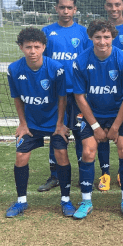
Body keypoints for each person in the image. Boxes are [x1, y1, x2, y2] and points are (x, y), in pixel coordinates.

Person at [6, 28, 74, 217]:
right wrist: (22, 123)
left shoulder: (56, 68)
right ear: (21, 47)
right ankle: (21, 202)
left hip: (54, 122)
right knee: (21, 157)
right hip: (31, 123)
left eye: (37, 47)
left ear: (44, 47)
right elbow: (18, 98)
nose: (33, 51)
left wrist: (60, 124)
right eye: (28, 47)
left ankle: (66, 200)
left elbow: (62, 98)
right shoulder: (14, 69)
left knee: (61, 154)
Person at [71, 20, 123, 219]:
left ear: (113, 38)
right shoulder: (80, 61)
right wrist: (96, 126)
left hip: (119, 114)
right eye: (97, 37)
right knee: (88, 152)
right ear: (91, 38)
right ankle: (86, 202)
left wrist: (115, 126)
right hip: (93, 114)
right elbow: (80, 97)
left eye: (106, 37)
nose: (102, 41)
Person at [40, 0, 91, 192]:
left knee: (80, 133)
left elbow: (88, 63)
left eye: (70, 7)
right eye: (62, 7)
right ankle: (55, 175)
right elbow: (42, 62)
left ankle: (81, 175)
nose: (66, 11)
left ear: (75, 9)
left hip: (78, 93)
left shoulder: (83, 33)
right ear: (56, 8)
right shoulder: (47, 32)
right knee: (56, 132)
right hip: (55, 93)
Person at [91, 0, 123, 191]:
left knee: (122, 139)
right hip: (101, 93)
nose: (113, 8)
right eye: (110, 4)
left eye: (117, 4)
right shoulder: (98, 30)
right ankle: (105, 174)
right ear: (105, 6)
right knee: (101, 137)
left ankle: (121, 173)